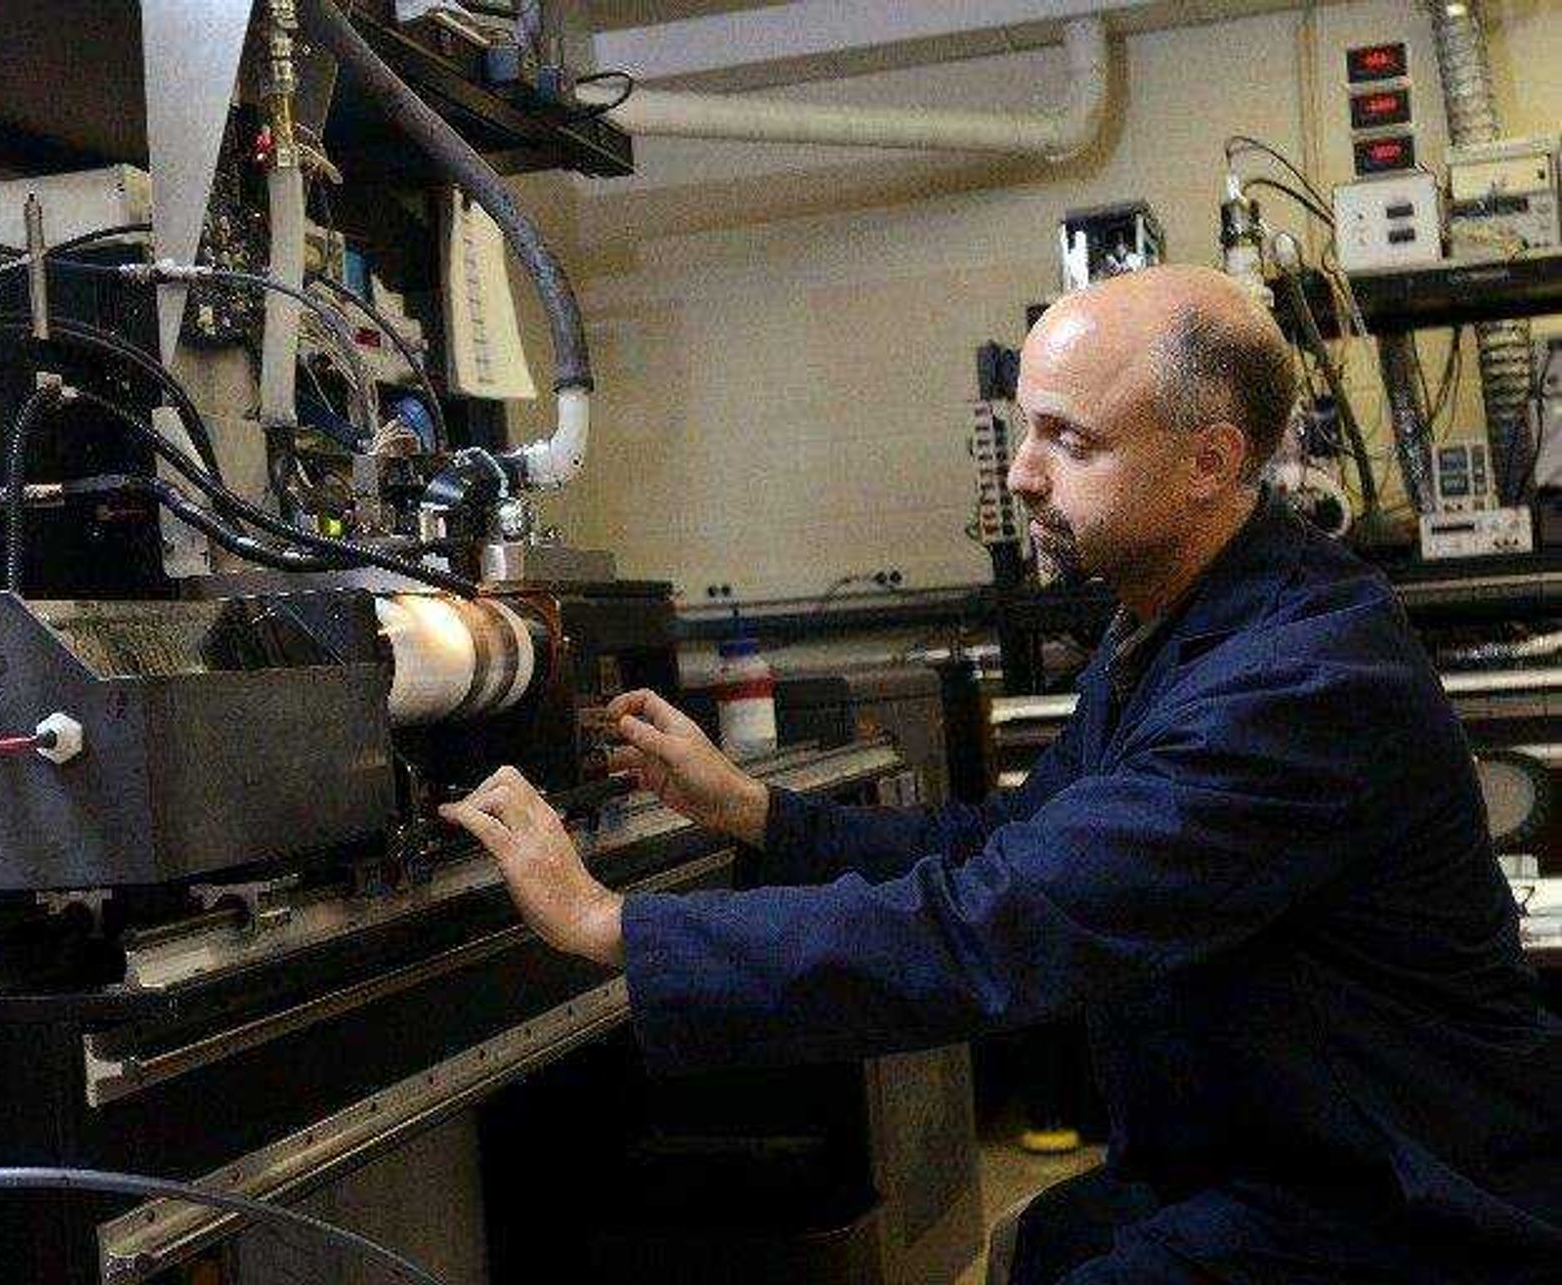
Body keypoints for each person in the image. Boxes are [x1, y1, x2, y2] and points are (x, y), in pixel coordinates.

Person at [440, 265, 1562, 1283]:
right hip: (1269, 1150)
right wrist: (755, 809)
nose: (1023, 474)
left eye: (1071, 441)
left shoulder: (1295, 682)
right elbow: (1015, 845)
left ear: (1210, 466)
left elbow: (999, 924)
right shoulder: (1172, 626)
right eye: (1027, 428)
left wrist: (615, 926)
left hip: (1406, 1197)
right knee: (1047, 1244)